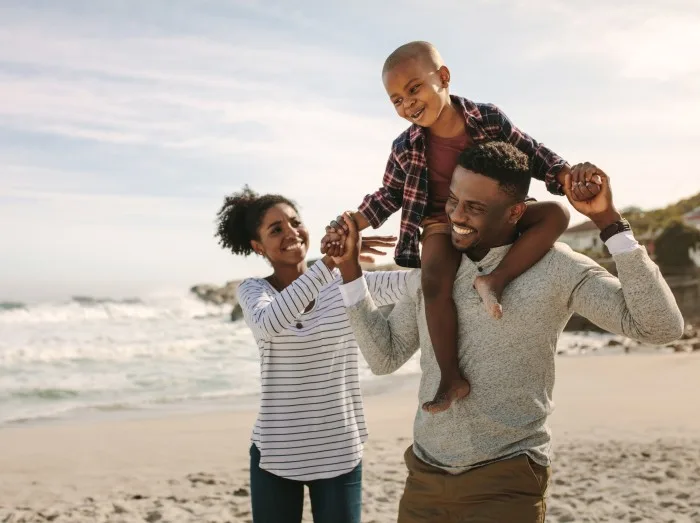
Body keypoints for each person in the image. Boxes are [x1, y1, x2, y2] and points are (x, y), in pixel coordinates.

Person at [331, 142, 683, 523]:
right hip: (425, 477)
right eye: (453, 201)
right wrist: (350, 270)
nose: (457, 217)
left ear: (516, 211)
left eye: (475, 208)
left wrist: (609, 222)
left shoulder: (557, 268)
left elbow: (660, 326)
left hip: (507, 480)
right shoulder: (434, 271)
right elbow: (384, 357)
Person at [322, 41, 602, 414]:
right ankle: (451, 378)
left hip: (494, 215)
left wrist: (566, 175)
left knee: (556, 216)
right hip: (442, 221)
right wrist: (352, 222)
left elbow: (533, 153)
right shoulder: (405, 146)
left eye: (414, 89)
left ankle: (495, 280)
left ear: (443, 77)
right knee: (434, 280)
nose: (407, 105)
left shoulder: (487, 119)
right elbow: (388, 194)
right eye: (396, 101)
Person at [215, 186, 409, 523]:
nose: (291, 232)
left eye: (295, 222)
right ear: (258, 247)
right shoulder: (253, 290)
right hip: (276, 454)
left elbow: (418, 284)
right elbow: (270, 322)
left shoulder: (347, 282)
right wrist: (330, 264)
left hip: (340, 451)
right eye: (276, 229)